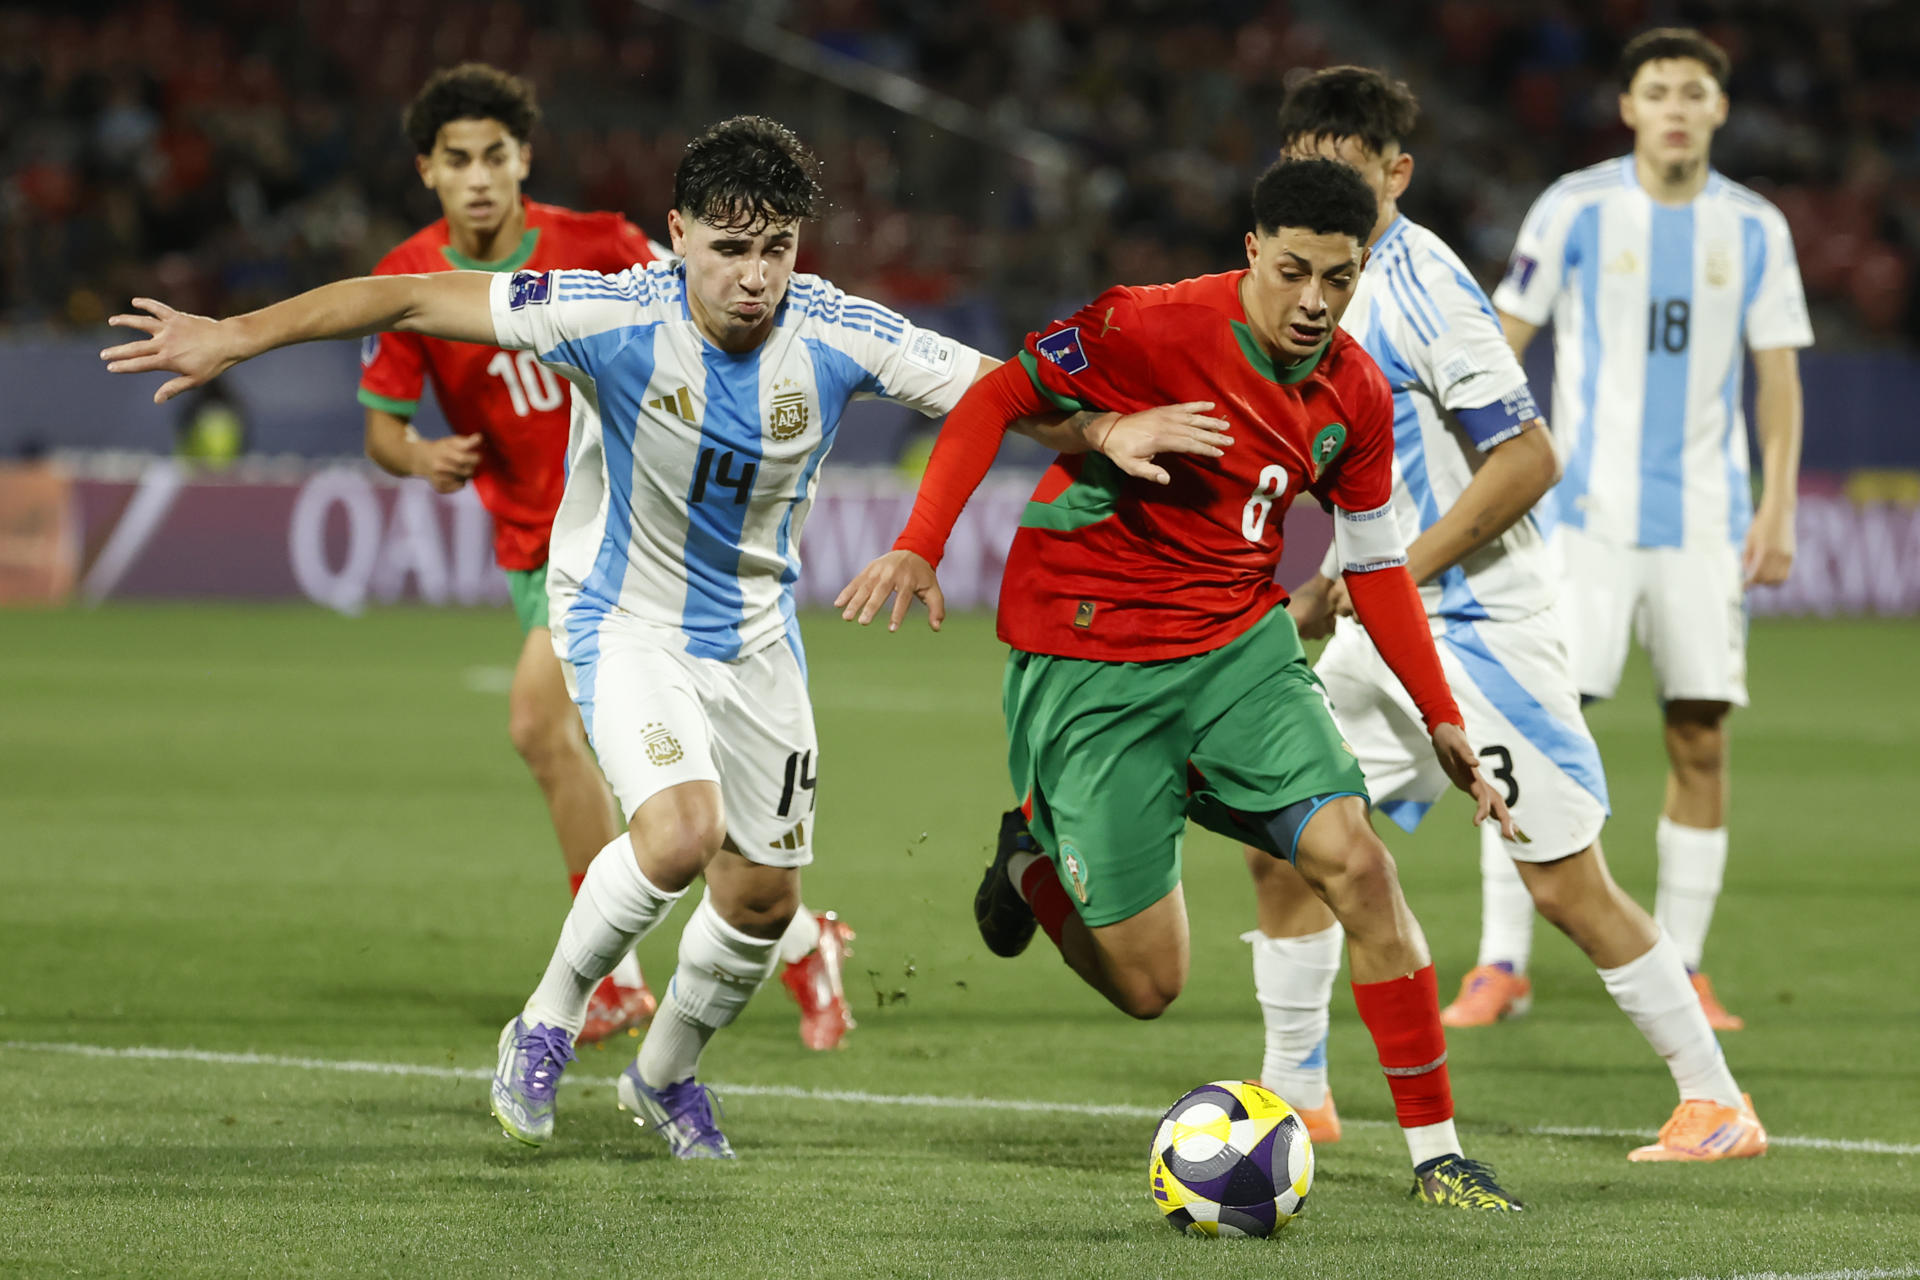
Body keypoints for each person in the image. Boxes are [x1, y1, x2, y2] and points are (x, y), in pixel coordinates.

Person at [103, 115, 1072, 1158]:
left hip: (755, 636)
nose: (756, 277)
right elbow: (408, 295)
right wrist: (236, 333)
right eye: (730, 248)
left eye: (777, 249)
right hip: (625, 616)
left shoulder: (838, 327)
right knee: (679, 832)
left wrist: (1112, 428)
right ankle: (548, 1020)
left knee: (760, 895)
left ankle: (663, 1077)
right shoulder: (607, 310)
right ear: (678, 235)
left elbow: (1005, 387)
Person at [838, 157, 1524, 1210]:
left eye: (1338, 280)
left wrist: (1440, 714)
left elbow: (1376, 566)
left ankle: (1439, 1156)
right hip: (1091, 659)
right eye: (1294, 270)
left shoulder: (1356, 392)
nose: (1313, 302)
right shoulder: (1142, 327)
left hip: (1238, 652)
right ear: (1252, 250)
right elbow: (996, 397)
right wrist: (920, 542)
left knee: (1362, 863)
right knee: (1151, 986)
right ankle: (1030, 864)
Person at [1235, 66, 1765, 1164]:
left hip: (1478, 629)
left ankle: (1716, 1103)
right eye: (1309, 160)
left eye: (1351, 162)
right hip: (1381, 627)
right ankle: (1298, 1092)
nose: (1329, 181)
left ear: (1398, 172)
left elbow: (1528, 457)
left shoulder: (1428, 288)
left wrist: (1393, 572)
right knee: (1288, 837)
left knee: (1563, 881)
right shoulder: (1317, 288)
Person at [357, 66, 856, 1050]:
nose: (479, 176)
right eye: (457, 159)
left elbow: (683, 308)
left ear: (524, 159)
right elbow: (381, 426)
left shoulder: (592, 247)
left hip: (626, 546)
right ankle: (794, 935)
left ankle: (619, 978)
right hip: (527, 551)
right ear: (427, 170)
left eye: (496, 155)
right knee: (660, 807)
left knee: (543, 730)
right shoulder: (416, 272)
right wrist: (420, 454)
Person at [1492, 28, 1811, 1033]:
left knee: (1699, 737)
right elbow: (1504, 344)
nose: (1676, 106)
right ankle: (1503, 961)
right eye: (1658, 90)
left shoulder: (1755, 228)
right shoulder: (1576, 208)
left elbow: (1777, 377)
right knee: (1534, 729)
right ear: (1628, 107)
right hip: (1581, 522)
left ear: (1720, 109)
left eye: (1694, 91)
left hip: (1706, 527)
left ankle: (1687, 963)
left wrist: (1779, 502)